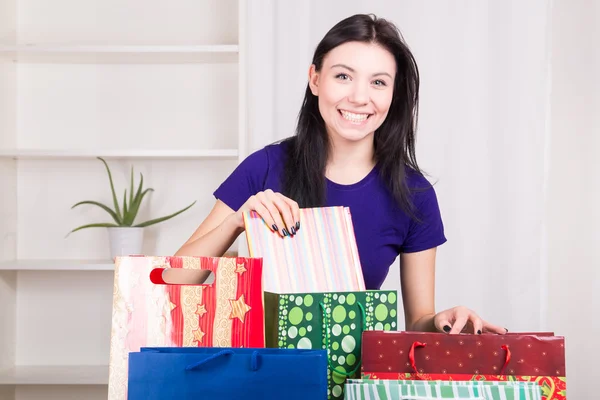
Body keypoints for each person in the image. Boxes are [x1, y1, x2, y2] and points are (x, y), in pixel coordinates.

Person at [175, 13, 507, 336]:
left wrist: (441, 322)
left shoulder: (414, 194)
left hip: (352, 380)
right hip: (262, 374)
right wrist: (235, 221)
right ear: (315, 79)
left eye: (378, 82)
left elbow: (418, 321)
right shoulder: (264, 166)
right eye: (343, 76)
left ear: (393, 94)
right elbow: (174, 282)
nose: (360, 97)